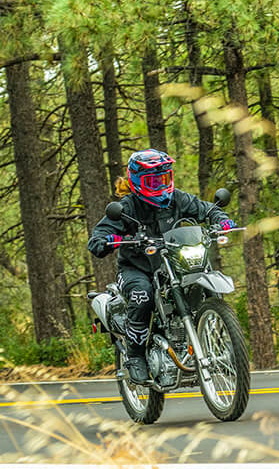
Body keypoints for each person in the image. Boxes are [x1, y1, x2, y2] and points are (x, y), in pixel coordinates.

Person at [87, 149, 235, 385]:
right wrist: (106, 240)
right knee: (142, 295)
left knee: (201, 280)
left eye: (164, 179)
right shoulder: (127, 207)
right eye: (153, 181)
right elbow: (99, 235)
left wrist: (221, 220)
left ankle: (217, 344)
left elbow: (207, 209)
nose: (160, 185)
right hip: (137, 269)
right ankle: (136, 357)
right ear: (137, 181)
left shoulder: (178, 199)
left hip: (174, 264)